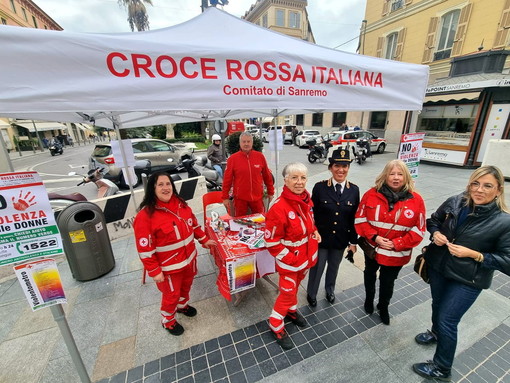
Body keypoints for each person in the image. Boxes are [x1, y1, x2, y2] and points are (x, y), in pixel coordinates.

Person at [412, 165, 510, 382]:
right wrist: (435, 233)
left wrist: (476, 255)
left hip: (468, 279)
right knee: (437, 305)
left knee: (448, 319)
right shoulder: (456, 201)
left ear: (499, 190)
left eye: (487, 186)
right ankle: (436, 333)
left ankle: (442, 368)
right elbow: (433, 220)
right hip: (439, 267)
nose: (480, 190)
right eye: (476, 183)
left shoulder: (504, 222)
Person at [133, 172, 215, 336]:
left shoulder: (181, 204)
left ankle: (182, 307)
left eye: (168, 184)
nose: (165, 188)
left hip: (189, 261)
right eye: (160, 184)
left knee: (186, 287)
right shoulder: (145, 216)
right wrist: (155, 271)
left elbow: (193, 224)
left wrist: (204, 239)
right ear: (152, 188)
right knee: (171, 296)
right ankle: (168, 321)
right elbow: (145, 250)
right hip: (169, 269)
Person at [355, 159, 426, 325]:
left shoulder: (416, 200)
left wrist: (397, 243)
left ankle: (383, 306)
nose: (396, 178)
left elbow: (419, 229)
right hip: (372, 249)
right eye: (392, 174)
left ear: (406, 177)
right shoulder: (371, 194)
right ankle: (369, 299)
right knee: (369, 274)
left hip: (396, 253)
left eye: (400, 174)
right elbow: (360, 218)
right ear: (385, 176)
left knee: (388, 282)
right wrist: (374, 237)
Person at [264, 162, 321, 349]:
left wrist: (315, 231)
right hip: (290, 262)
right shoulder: (278, 208)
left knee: (294, 289)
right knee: (287, 294)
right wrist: (291, 259)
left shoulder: (306, 199)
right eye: (294, 177)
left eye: (303, 177)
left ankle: (291, 311)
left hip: (304, 259)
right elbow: (271, 242)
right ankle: (275, 323)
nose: (299, 182)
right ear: (285, 180)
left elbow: (308, 224)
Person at [306, 148, 359, 306]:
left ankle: (330, 290)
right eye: (337, 166)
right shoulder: (320, 187)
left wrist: (353, 242)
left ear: (348, 168)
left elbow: (354, 218)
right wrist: (312, 232)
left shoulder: (354, 190)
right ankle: (312, 293)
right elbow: (312, 214)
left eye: (344, 166)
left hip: (340, 239)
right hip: (321, 238)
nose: (340, 170)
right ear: (330, 168)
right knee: (317, 268)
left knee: (334, 268)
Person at [222, 132, 275, 216]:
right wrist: (225, 197)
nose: (246, 144)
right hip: (240, 199)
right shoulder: (232, 159)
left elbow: (267, 176)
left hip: (257, 198)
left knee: (259, 221)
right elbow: (227, 179)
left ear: (252, 142)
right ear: (240, 143)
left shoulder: (260, 156)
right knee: (239, 222)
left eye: (248, 141)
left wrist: (270, 192)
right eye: (244, 141)